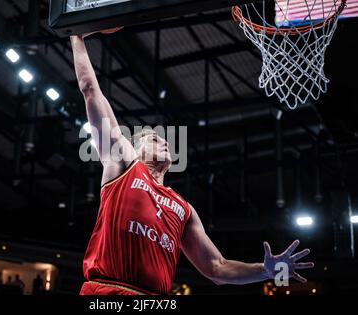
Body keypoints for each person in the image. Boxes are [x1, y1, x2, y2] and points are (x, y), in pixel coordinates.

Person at [70, 32, 314, 295]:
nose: (164, 142)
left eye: (164, 140)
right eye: (153, 139)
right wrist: (77, 37)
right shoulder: (124, 166)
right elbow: (90, 90)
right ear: (135, 149)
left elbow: (217, 268)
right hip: (108, 292)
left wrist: (266, 271)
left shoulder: (183, 209)